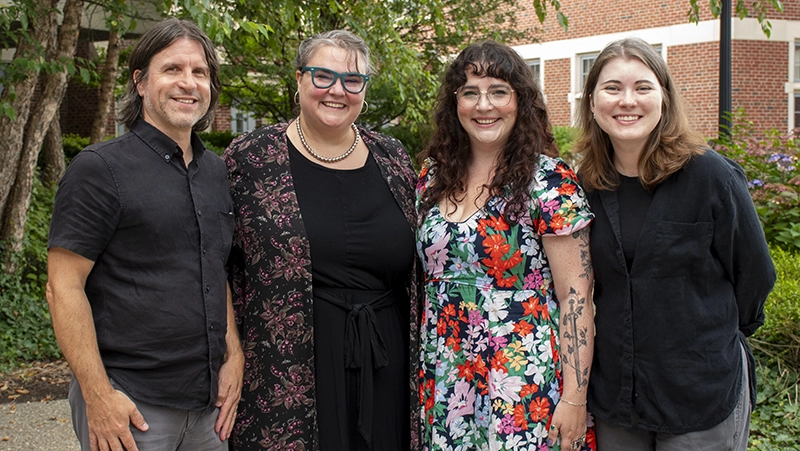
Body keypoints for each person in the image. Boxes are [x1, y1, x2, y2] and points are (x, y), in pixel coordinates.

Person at [46, 18, 243, 451]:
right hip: (132, 404)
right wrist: (97, 396)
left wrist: (234, 356)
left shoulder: (216, 173)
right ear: (140, 81)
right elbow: (63, 287)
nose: (188, 83)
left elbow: (216, 268)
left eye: (200, 72)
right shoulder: (99, 170)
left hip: (209, 410)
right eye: (172, 69)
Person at [574, 36, 776, 450]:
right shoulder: (586, 185)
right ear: (592, 102)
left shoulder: (711, 177)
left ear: (664, 98)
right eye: (612, 88)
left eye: (642, 87)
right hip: (617, 396)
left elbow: (754, 274)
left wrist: (711, 340)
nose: (626, 100)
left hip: (697, 395)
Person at [224, 30, 420, 451]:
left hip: (385, 355)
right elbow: (218, 263)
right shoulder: (251, 158)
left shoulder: (393, 157)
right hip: (289, 358)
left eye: (352, 80)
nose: (337, 90)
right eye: (322, 75)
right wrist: (230, 350)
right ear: (298, 80)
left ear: (364, 89)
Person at [416, 40, 596, 451]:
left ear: (520, 102)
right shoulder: (432, 177)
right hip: (446, 379)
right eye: (470, 92)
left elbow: (576, 296)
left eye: (498, 91)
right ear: (454, 102)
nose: (484, 105)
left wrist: (575, 397)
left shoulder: (549, 181)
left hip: (522, 383)